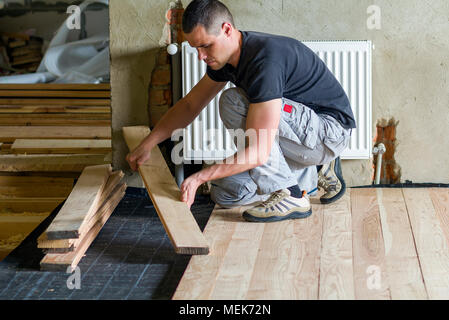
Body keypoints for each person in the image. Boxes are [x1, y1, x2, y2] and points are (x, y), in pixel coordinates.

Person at [126, 0, 356, 223]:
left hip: (328, 133)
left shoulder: (264, 60)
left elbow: (258, 152)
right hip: (300, 138)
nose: (201, 57)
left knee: (233, 100)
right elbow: (190, 105)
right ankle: (309, 174)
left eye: (205, 45)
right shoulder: (226, 60)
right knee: (225, 192)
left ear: (227, 29)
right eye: (196, 48)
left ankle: (291, 195)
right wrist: (148, 144)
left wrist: (199, 176)